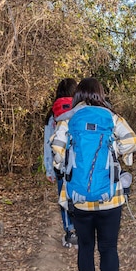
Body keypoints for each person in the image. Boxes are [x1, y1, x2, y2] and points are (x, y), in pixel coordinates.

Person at [50, 77, 136, 271]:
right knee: (109, 247)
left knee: (86, 247)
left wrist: (63, 165)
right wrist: (117, 151)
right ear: (100, 94)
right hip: (110, 197)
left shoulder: (68, 120)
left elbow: (57, 149)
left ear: (78, 96)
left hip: (80, 200)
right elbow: (131, 140)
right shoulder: (112, 118)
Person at [43, 78, 78, 248]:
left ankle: (69, 232)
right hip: (78, 163)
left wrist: (49, 169)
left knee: (63, 196)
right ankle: (81, 230)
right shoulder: (79, 110)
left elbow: (47, 144)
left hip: (59, 164)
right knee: (78, 195)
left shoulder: (52, 115)